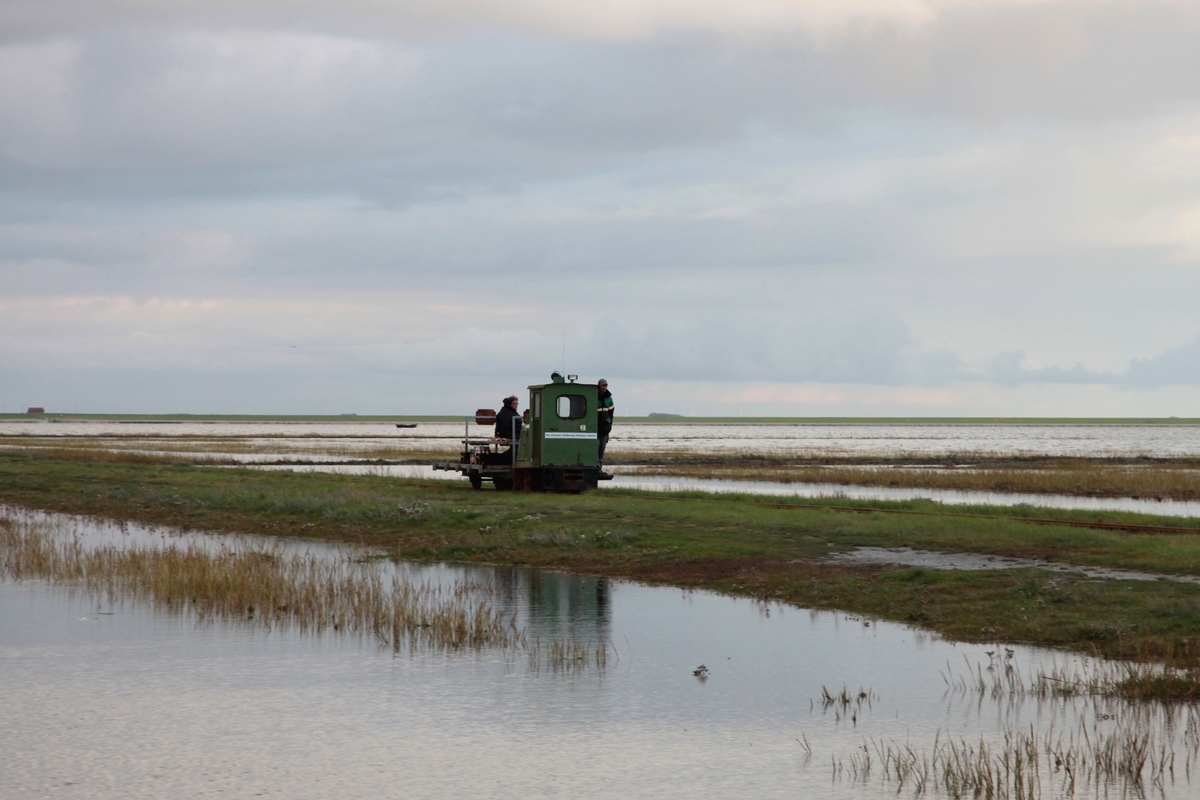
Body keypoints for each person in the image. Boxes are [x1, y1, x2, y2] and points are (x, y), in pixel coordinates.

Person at [596, 379, 614, 472]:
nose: (604, 387)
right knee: (596, 445)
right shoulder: (594, 396)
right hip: (595, 425)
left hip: (605, 426)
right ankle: (595, 465)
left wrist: (610, 424)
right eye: (603, 385)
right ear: (599, 386)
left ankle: (599, 466)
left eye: (605, 385)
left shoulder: (609, 398)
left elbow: (611, 412)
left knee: (602, 447)